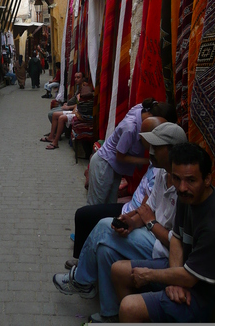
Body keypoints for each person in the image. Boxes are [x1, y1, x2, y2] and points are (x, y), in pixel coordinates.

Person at [52, 122, 188, 323]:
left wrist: (150, 224)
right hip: (151, 238)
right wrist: (132, 223)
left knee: (103, 227)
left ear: (172, 151)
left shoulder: (183, 187)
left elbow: (175, 241)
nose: (151, 152)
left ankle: (81, 280)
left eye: (157, 148)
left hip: (164, 251)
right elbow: (147, 210)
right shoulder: (161, 173)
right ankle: (110, 314)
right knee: (106, 250)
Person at [112, 143, 214, 323]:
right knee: (118, 270)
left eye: (191, 180)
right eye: (176, 178)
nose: (182, 187)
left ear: (207, 179)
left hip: (205, 295)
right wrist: (175, 280)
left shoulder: (212, 222)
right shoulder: (186, 197)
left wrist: (149, 275)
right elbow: (176, 239)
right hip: (184, 272)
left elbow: (190, 278)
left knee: (129, 307)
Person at [66, 116, 167, 266]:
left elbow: (146, 210)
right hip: (132, 209)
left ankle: (83, 267)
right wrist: (131, 219)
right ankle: (84, 261)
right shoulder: (156, 165)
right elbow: (146, 208)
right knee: (88, 214)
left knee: (96, 222)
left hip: (137, 216)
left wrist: (130, 219)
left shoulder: (162, 172)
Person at [87, 98, 177, 205]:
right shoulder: (130, 128)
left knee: (109, 204)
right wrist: (149, 160)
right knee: (96, 205)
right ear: (154, 118)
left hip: (115, 168)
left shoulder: (142, 109)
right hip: (104, 164)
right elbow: (119, 156)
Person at [43, 80, 93, 149]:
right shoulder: (80, 93)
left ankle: (55, 142)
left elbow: (80, 110)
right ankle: (51, 136)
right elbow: (77, 105)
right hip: (76, 112)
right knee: (54, 114)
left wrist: (72, 109)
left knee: (61, 118)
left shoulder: (88, 96)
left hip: (78, 114)